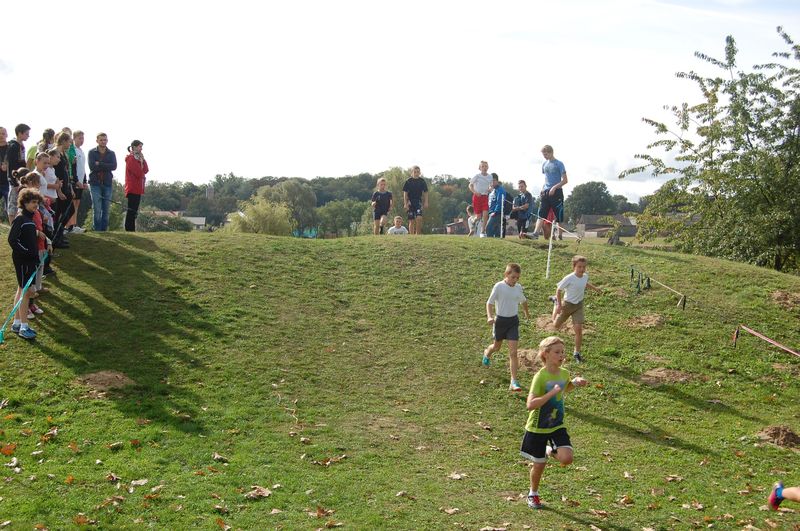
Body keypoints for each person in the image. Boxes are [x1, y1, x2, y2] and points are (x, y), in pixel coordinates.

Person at [520, 336, 589, 509]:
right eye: (557, 352)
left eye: (563, 352)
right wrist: (551, 394)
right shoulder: (540, 377)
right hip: (538, 427)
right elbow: (530, 404)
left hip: (557, 424)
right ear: (546, 354)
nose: (561, 355)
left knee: (567, 458)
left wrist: (574, 383)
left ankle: (550, 450)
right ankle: (533, 494)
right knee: (539, 465)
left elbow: (564, 388)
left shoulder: (564, 373)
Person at [483, 263, 531, 391]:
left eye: (517, 278)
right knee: (497, 347)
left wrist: (526, 313)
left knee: (513, 352)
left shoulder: (518, 288)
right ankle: (487, 353)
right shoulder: (499, 286)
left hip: (513, 322)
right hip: (500, 322)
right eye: (513, 277)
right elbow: (489, 303)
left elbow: (523, 301)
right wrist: (489, 316)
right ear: (506, 274)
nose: (515, 280)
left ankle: (514, 381)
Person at [8, 188, 45, 340]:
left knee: (21, 289)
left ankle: (17, 322)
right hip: (23, 260)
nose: (35, 205)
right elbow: (12, 240)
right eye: (32, 202)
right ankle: (24, 326)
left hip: (29, 260)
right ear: (24, 202)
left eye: (37, 202)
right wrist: (27, 253)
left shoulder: (30, 220)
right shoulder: (21, 218)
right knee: (25, 293)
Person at [549, 255, 601, 363]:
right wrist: (559, 305)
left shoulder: (585, 276)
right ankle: (554, 303)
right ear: (574, 267)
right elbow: (559, 290)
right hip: (567, 305)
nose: (582, 269)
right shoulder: (569, 278)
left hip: (578, 306)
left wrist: (595, 288)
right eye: (579, 267)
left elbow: (585, 283)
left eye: (584, 267)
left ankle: (576, 353)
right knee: (555, 326)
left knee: (578, 330)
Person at [532, 145, 567, 240]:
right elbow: (546, 178)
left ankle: (560, 236)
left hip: (557, 192)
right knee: (541, 213)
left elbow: (565, 180)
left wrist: (554, 188)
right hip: (546, 192)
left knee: (559, 215)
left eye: (546, 154)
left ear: (551, 152)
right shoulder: (544, 164)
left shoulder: (559, 164)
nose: (544, 156)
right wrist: (543, 188)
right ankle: (535, 234)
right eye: (543, 154)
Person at [88, 132, 117, 231]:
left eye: (105, 140)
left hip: (107, 183)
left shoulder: (111, 153)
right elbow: (92, 166)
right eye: (101, 140)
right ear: (97, 141)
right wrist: (106, 165)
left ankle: (104, 230)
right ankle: (97, 230)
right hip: (95, 183)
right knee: (97, 208)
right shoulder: (92, 152)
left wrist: (99, 164)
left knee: (106, 209)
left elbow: (114, 166)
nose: (103, 142)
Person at [5, 124, 30, 222]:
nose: (28, 136)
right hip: (14, 179)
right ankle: (12, 226)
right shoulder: (13, 146)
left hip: (21, 178)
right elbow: (11, 164)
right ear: (20, 133)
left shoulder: (21, 145)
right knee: (13, 204)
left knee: (19, 203)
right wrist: (14, 181)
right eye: (27, 134)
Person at [66, 130, 87, 233]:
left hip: (80, 181)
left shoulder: (81, 151)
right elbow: (73, 167)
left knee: (77, 202)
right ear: (73, 138)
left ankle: (74, 224)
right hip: (74, 181)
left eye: (83, 138)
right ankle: (69, 225)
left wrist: (85, 181)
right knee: (72, 203)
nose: (81, 140)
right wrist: (76, 180)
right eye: (79, 138)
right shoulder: (72, 150)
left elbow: (83, 168)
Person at [124, 140, 148, 232]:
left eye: (141, 147)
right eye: (139, 146)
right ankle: (129, 229)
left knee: (135, 210)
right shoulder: (130, 158)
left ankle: (131, 228)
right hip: (132, 187)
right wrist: (141, 164)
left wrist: (143, 160)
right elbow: (138, 173)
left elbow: (146, 170)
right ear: (134, 147)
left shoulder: (139, 158)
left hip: (138, 187)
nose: (141, 149)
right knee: (131, 209)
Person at [402, 165, 428, 235]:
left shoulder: (422, 181)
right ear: (412, 172)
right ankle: (412, 236)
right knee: (411, 220)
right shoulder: (408, 181)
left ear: (420, 173)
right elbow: (405, 193)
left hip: (418, 202)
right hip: (410, 202)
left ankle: (418, 235)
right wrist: (405, 203)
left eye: (418, 172)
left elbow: (425, 192)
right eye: (415, 172)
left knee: (419, 218)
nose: (416, 173)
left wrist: (426, 202)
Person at [469, 161, 492, 237]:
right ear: (480, 168)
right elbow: (470, 185)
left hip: (485, 197)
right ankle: (473, 220)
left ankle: (483, 231)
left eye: (486, 166)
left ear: (488, 167)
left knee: (485, 215)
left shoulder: (490, 177)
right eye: (482, 166)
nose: (484, 168)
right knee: (478, 217)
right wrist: (475, 192)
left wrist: (490, 189)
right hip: (477, 197)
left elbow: (491, 186)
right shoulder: (477, 176)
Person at [485, 173, 506, 238]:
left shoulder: (500, 190)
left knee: (488, 228)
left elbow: (499, 202)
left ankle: (490, 244)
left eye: (493, 180)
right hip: (491, 212)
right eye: (491, 181)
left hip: (496, 213)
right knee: (496, 231)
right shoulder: (493, 190)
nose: (492, 182)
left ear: (497, 181)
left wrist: (495, 212)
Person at [0, 127, 8, 213]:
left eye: (3, 133)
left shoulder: (11, 148)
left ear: (7, 135)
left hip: (7, 182)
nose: (1, 135)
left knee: (9, 208)